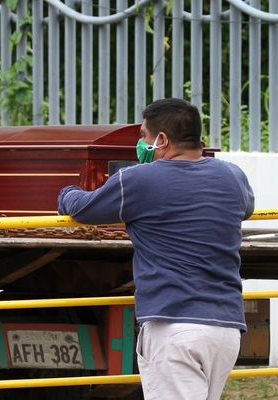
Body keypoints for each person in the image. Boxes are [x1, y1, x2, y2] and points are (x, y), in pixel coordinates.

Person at [57, 98, 254, 400]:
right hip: (225, 329)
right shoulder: (232, 176)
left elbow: (83, 208)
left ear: (161, 139)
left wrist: (66, 191)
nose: (140, 143)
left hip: (174, 327)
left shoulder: (137, 181)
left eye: (143, 136)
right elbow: (246, 207)